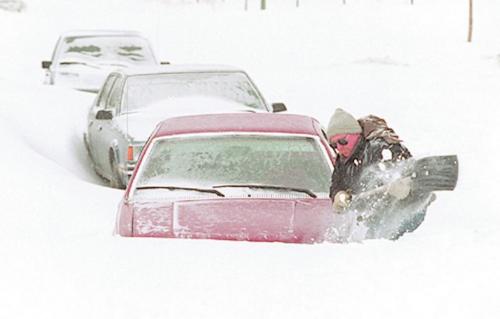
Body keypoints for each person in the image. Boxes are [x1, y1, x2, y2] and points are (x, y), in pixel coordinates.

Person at [327, 108, 433, 240]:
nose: (339, 148)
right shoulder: (342, 161)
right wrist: (338, 194)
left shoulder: (383, 147)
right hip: (372, 221)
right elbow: (336, 185)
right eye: (334, 145)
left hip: (407, 221)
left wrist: (406, 188)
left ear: (356, 135)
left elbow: (412, 176)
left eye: (343, 141)